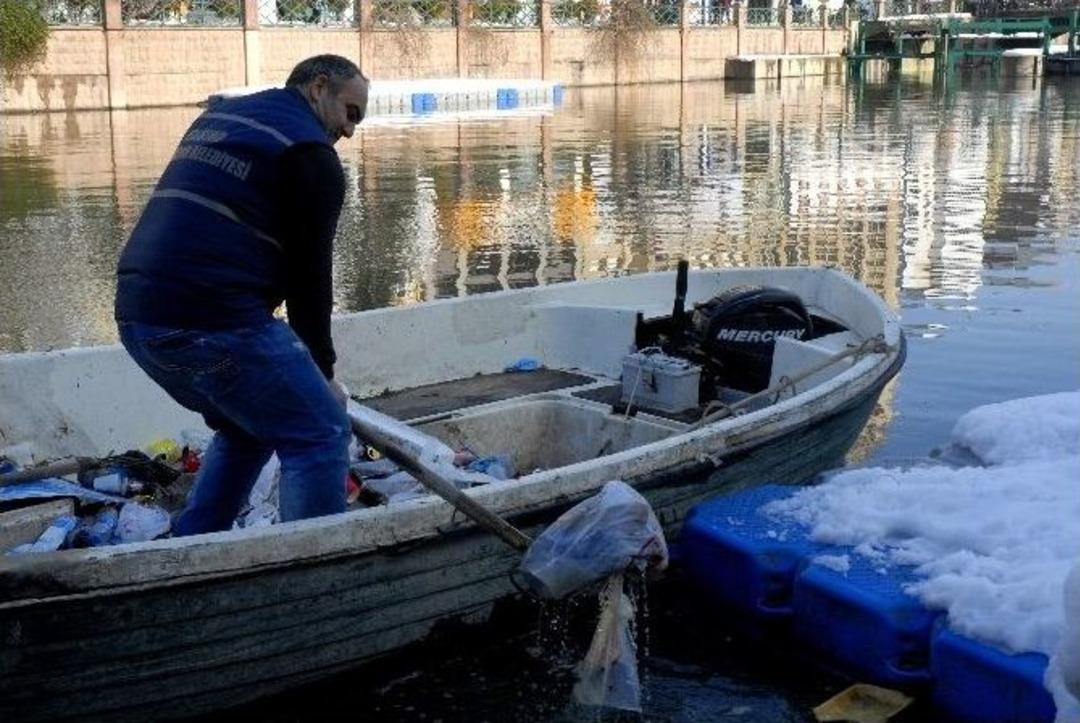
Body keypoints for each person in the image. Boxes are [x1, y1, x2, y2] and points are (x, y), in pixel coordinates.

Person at [114, 54, 369, 536]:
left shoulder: (221, 118)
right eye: (350, 113)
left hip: (138, 321)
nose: (351, 131)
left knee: (248, 426)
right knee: (320, 433)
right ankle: (309, 573)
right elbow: (309, 279)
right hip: (211, 323)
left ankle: (197, 542)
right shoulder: (310, 155)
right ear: (319, 89)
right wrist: (323, 373)